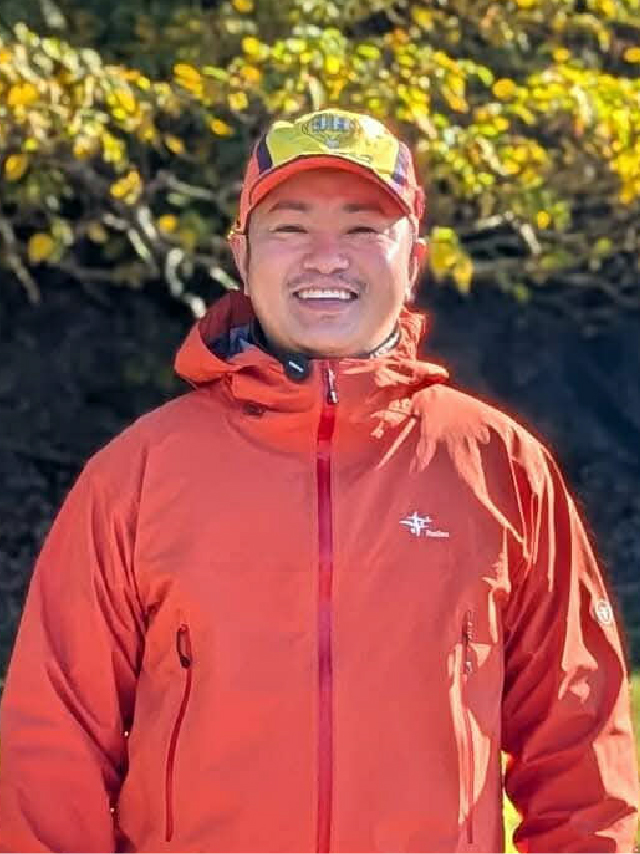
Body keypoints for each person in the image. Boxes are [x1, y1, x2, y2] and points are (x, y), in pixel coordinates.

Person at [0, 108, 637, 853]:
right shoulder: (137, 475)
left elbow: (581, 751)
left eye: (364, 228)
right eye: (291, 227)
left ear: (414, 259)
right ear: (241, 255)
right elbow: (53, 750)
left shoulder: (501, 468)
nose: (326, 258)